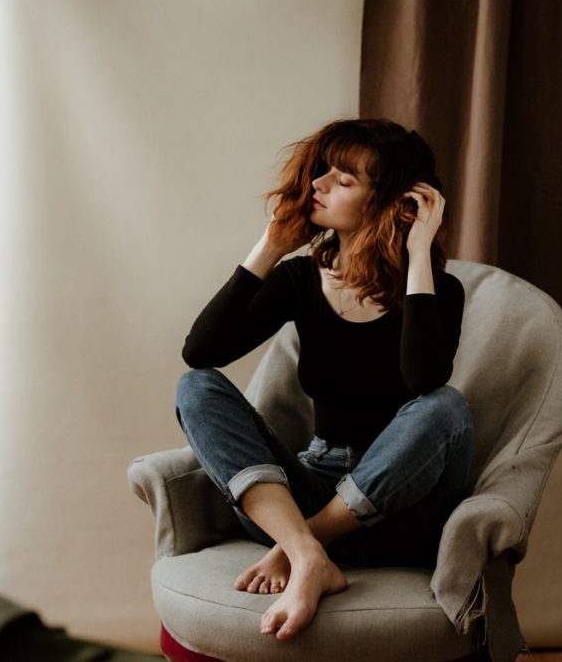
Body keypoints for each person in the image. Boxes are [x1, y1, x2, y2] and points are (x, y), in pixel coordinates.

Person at [174, 119, 473, 643]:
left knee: (443, 405)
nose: (318, 184)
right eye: (323, 172)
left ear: (393, 202)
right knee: (195, 387)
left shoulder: (437, 292)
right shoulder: (299, 279)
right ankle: (309, 555)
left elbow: (423, 377)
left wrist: (418, 250)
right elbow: (201, 352)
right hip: (303, 495)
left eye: (344, 179)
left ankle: (304, 547)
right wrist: (270, 246)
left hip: (400, 517)